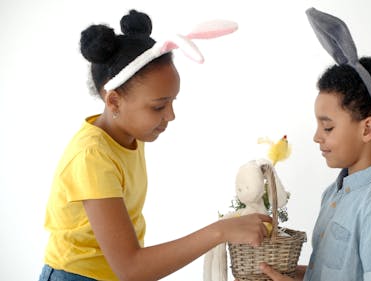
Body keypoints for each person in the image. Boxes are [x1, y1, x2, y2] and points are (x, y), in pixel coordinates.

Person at [39, 10, 271, 281]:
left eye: (173, 102)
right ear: (114, 102)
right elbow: (131, 268)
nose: (170, 115)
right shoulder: (93, 156)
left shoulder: (127, 136)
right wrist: (220, 231)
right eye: (159, 106)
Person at [259, 8, 371, 281]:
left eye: (328, 126)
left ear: (367, 128)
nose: (317, 136)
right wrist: (289, 274)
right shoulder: (335, 192)